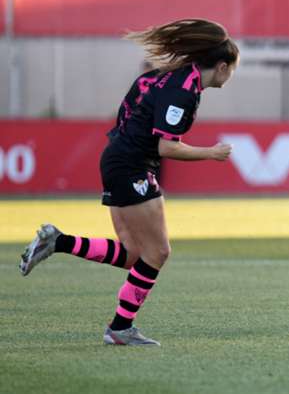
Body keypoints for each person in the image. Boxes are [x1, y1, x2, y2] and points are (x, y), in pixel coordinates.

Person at [18, 19, 239, 346]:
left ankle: (58, 242)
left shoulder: (163, 77)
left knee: (134, 254)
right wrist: (211, 153)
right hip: (132, 166)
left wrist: (125, 149)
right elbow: (168, 146)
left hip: (119, 159)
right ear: (221, 66)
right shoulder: (183, 92)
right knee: (159, 251)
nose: (232, 75)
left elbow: (129, 108)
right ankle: (120, 328)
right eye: (232, 69)